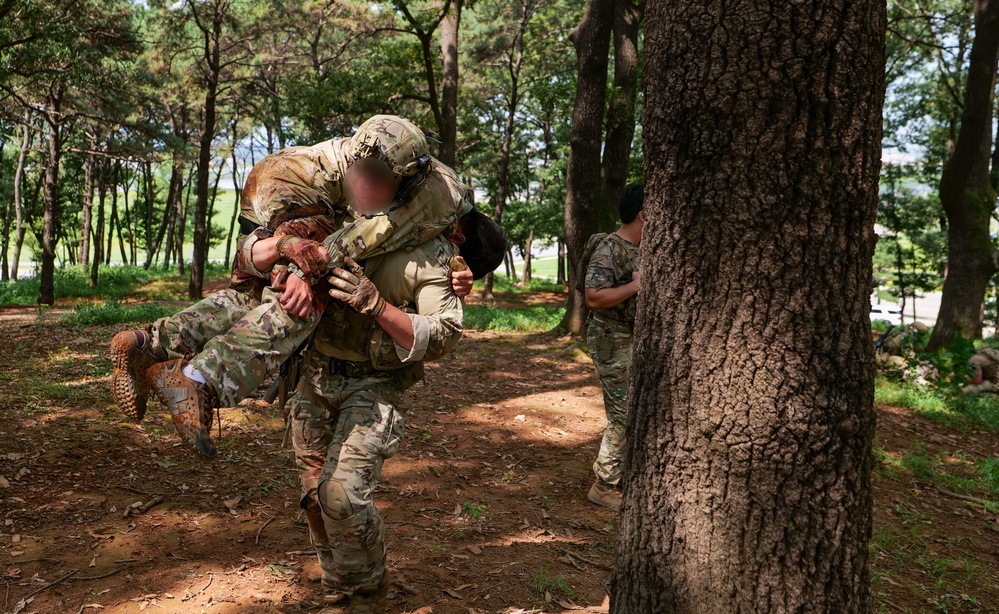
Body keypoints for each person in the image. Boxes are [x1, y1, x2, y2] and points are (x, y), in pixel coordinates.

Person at [109, 115, 476, 457]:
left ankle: (148, 343)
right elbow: (356, 239)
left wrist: (460, 274)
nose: (367, 185)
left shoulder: (386, 159)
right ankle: (196, 379)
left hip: (266, 185)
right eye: (364, 173)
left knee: (252, 297)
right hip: (289, 191)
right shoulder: (425, 195)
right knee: (301, 302)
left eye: (378, 178)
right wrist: (304, 273)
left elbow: (467, 248)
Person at [289, 204, 505, 612]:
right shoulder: (370, 209)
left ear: (457, 240)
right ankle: (336, 587)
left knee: (341, 496)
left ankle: (366, 594)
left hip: (372, 382)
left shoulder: (436, 258)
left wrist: (378, 305)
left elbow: (443, 334)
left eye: (452, 230)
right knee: (315, 498)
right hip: (314, 377)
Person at [582, 184, 643, 511]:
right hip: (611, 337)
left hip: (628, 337)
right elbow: (593, 298)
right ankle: (605, 485)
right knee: (623, 414)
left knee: (633, 409)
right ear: (644, 215)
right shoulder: (611, 248)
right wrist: (636, 285)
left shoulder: (637, 248)